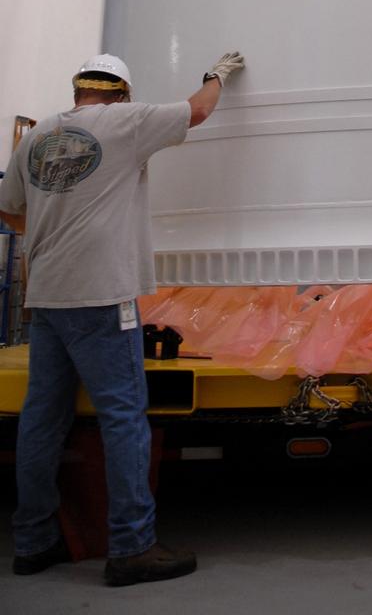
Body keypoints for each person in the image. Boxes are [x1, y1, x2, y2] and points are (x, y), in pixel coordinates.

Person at [0, 50, 245, 586]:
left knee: (41, 420)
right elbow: (198, 111)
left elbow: (8, 208)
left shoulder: (39, 135)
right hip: (102, 297)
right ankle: (132, 545)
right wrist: (215, 76)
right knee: (124, 416)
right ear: (123, 94)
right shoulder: (126, 123)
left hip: (46, 298)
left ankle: (34, 541)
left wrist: (53, 227)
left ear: (77, 92)